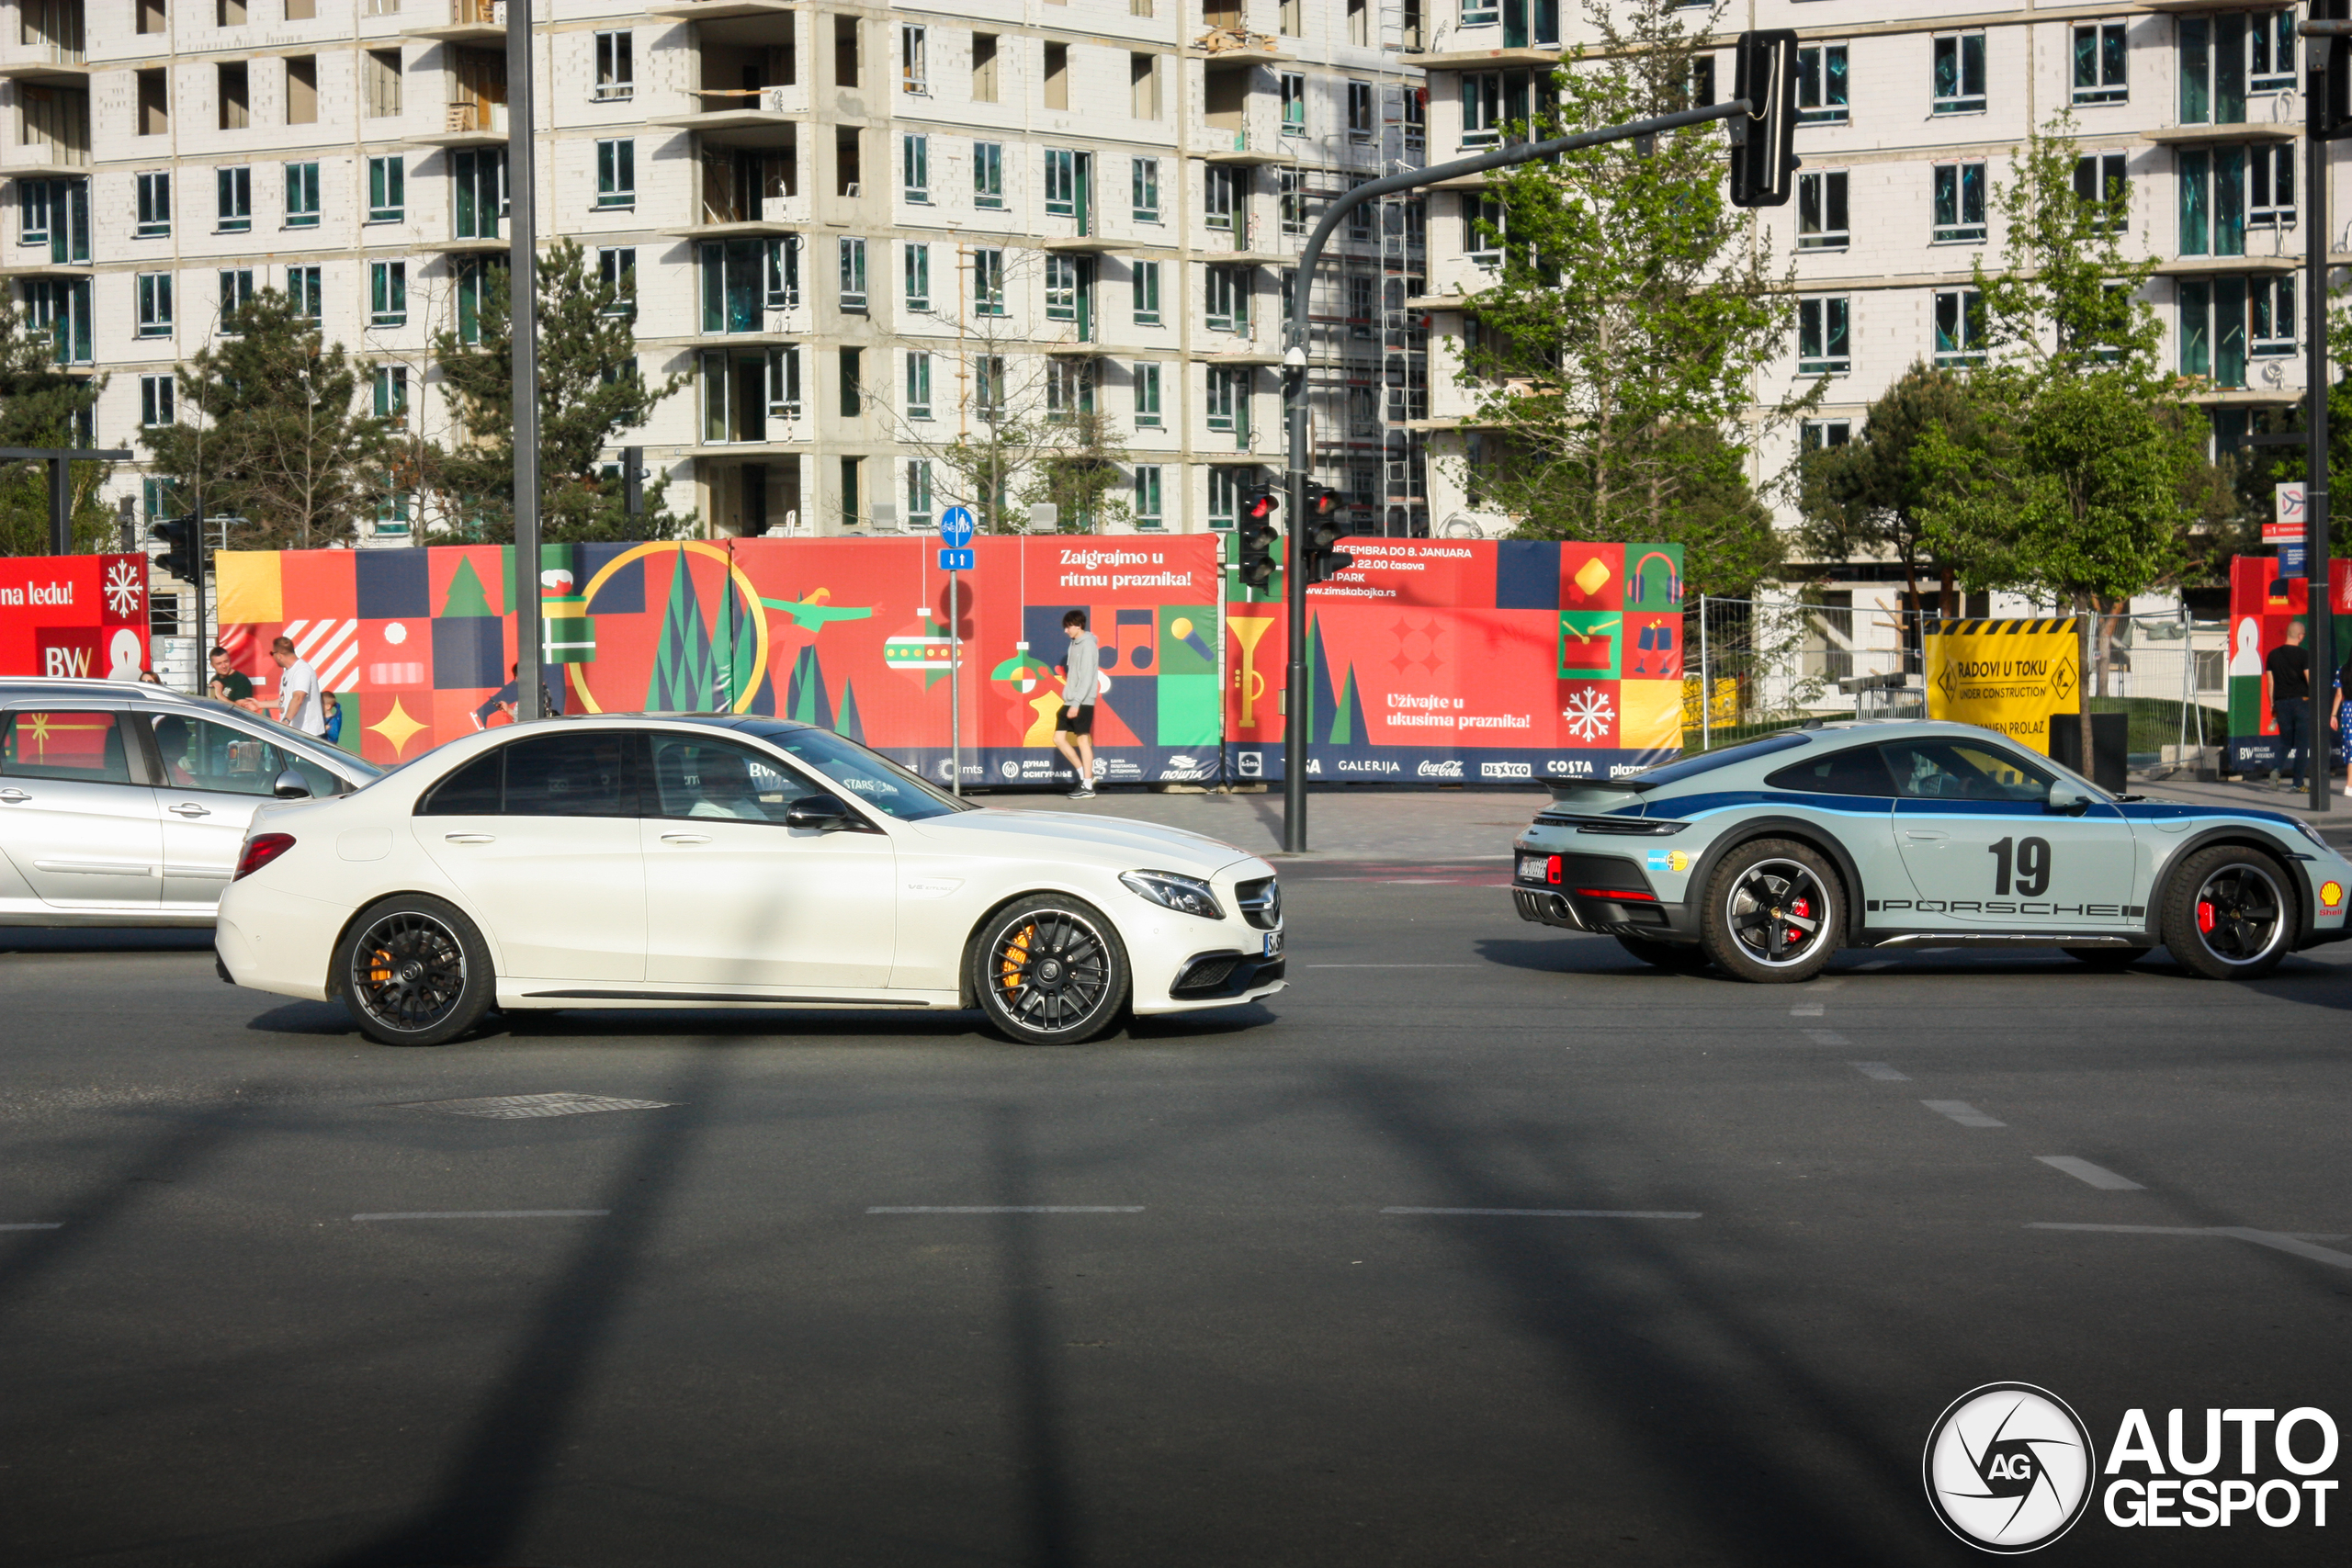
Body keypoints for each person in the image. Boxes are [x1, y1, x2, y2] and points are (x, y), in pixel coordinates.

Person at [1053, 608, 1101, 799]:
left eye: (1068, 627)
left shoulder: (1088, 645)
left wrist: (1077, 704)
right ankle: (1084, 775)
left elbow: (1087, 677)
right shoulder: (1073, 644)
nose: (1066, 630)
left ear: (1078, 626)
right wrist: (1071, 701)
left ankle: (1087, 786)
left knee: (1082, 739)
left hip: (1082, 701)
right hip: (1071, 699)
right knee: (1058, 738)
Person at [2266, 617, 2312, 791]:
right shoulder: (2304, 654)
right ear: (2300, 636)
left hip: (2281, 703)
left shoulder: (2273, 655)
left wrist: (2272, 704)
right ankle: (2297, 783)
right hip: (2302, 702)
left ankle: (2276, 769)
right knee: (2302, 745)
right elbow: (2309, 679)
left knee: (2286, 742)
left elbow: (2270, 683)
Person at [271, 635, 328, 738]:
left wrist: (286, 721)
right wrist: (259, 704)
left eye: (272, 653)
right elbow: (285, 701)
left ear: (279, 655)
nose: (273, 657)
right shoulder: (288, 672)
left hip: (308, 734)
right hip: (296, 733)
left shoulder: (302, 670)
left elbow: (298, 698)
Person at [474, 662, 562, 728]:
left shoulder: (535, 694)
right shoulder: (537, 691)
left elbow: (528, 722)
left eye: (517, 676)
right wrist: (508, 710)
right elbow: (525, 719)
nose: (516, 680)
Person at [208, 647, 261, 712]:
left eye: (226, 661)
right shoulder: (215, 679)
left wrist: (220, 696)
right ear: (212, 665)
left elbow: (242, 710)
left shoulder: (240, 680)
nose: (224, 666)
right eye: (219, 664)